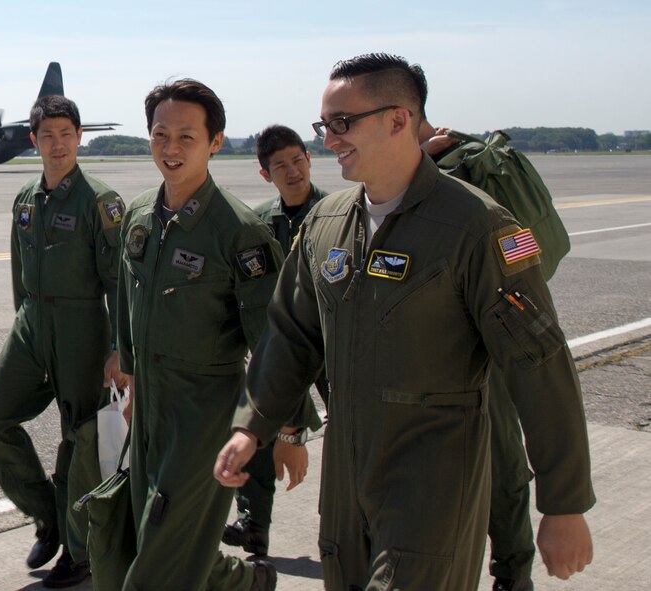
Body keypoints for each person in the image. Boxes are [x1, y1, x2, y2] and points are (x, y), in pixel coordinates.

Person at [215, 53, 595, 590]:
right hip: (347, 480)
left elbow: (539, 366)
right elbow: (290, 337)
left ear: (398, 119)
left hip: (433, 480)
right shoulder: (326, 225)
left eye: (343, 123)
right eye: (325, 125)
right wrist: (251, 425)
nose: (329, 139)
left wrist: (563, 504)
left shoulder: (478, 228)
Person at [116, 79, 284, 591]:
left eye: (187, 137)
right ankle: (244, 582)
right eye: (160, 134)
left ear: (215, 142)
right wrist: (131, 377)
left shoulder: (239, 231)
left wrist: (284, 430)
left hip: (205, 411)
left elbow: (275, 340)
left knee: (156, 558)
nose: (171, 148)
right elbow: (127, 304)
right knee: (154, 531)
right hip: (150, 404)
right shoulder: (141, 215)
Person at [0, 94, 126, 588]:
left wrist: (120, 348)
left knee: (80, 440)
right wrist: (26, 324)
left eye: (67, 134)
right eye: (48, 135)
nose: (58, 144)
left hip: (83, 330)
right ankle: (49, 518)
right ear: (33, 140)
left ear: (80, 137)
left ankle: (79, 552)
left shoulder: (101, 203)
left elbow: (119, 284)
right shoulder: (25, 199)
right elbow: (20, 276)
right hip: (31, 325)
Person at [419, 120, 539, 591]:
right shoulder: (465, 153)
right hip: (449, 343)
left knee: (502, 462)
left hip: (480, 342)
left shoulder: (460, 166)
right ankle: (510, 573)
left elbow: (521, 255)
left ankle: (512, 574)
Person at [223, 124, 328, 557]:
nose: (291, 171)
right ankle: (253, 522)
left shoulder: (339, 212)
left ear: (309, 158)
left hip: (333, 345)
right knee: (258, 422)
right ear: (265, 173)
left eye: (297, 160)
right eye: (279, 165)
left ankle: (353, 522)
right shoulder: (259, 223)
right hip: (284, 345)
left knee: (358, 439)